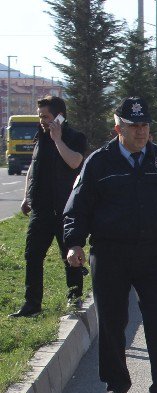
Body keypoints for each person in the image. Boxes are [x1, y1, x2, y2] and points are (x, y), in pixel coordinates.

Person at [63, 97, 157, 393]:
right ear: (118, 129)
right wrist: (74, 243)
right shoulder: (99, 162)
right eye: (133, 126)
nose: (141, 132)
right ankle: (116, 387)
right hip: (110, 253)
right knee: (113, 323)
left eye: (144, 125)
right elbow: (77, 207)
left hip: (152, 253)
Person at [10, 96, 87, 318]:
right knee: (32, 255)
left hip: (66, 211)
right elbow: (33, 168)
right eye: (40, 116)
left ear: (59, 117)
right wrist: (26, 197)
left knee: (70, 256)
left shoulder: (75, 137)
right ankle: (32, 304)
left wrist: (58, 139)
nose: (42, 120)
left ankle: (74, 298)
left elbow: (75, 162)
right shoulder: (40, 137)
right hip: (41, 209)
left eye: (45, 116)